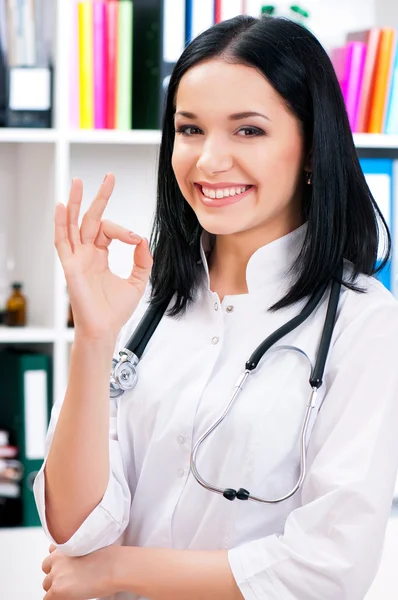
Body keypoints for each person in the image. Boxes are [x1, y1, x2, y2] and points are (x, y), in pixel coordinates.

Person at [35, 14, 398, 600]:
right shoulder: (137, 304)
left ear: (311, 148)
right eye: (190, 129)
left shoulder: (365, 324)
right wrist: (94, 338)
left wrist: (117, 570)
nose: (208, 161)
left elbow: (331, 566)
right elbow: (74, 529)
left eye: (248, 131)